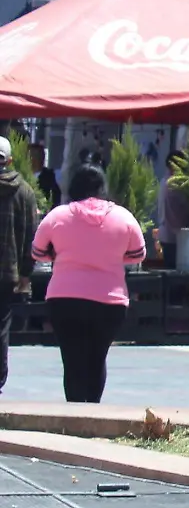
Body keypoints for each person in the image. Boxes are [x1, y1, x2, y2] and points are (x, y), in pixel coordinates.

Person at [29, 164, 147, 403]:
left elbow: (38, 252)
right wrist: (111, 257)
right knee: (97, 358)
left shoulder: (57, 216)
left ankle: (74, 414)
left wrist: (61, 255)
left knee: (71, 360)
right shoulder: (123, 217)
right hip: (109, 301)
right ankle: (93, 411)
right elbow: (138, 254)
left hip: (64, 299)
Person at [0, 137, 44, 394]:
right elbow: (31, 235)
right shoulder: (25, 191)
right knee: (2, 325)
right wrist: (27, 273)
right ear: (10, 160)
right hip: (8, 273)